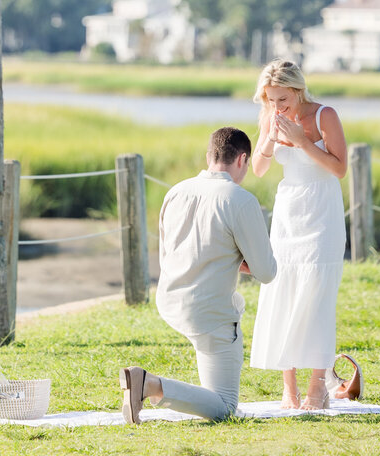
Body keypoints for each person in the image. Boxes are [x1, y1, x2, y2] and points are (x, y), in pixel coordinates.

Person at [119, 126, 277, 424]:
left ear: (209, 156)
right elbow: (267, 272)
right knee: (225, 406)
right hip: (210, 314)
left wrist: (229, 256)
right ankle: (147, 384)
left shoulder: (176, 191)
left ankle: (148, 386)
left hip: (171, 302)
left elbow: (170, 253)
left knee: (213, 393)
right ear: (243, 159)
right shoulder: (240, 200)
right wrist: (241, 259)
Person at [249, 59, 348, 410]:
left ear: (298, 90)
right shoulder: (270, 117)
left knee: (317, 294)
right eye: (270, 100)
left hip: (322, 212)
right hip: (288, 213)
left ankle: (317, 385)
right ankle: (288, 389)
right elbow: (259, 170)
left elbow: (339, 169)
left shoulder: (325, 116)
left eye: (282, 99)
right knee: (283, 292)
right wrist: (270, 137)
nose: (276, 106)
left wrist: (302, 142)